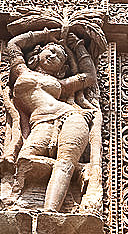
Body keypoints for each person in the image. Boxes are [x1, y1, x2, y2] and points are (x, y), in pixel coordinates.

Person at [6, 21, 103, 212]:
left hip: (71, 117)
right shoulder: (22, 71)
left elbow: (89, 76)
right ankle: (79, 170)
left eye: (59, 56)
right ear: (37, 54)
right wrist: (47, 34)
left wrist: (78, 46)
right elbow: (13, 45)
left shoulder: (62, 84)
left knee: (64, 163)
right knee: (25, 160)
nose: (52, 55)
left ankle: (50, 212)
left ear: (62, 67)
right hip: (40, 122)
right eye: (50, 51)